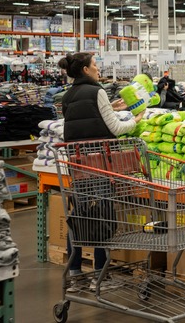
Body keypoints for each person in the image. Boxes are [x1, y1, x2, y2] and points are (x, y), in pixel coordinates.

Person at [57, 52, 142, 292]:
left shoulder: (67, 95)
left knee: (81, 215)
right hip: (100, 163)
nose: (97, 69)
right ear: (85, 69)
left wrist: (109, 107)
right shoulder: (97, 91)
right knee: (102, 215)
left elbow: (82, 122)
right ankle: (99, 275)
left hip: (78, 164)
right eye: (94, 65)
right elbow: (114, 128)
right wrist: (135, 120)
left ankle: (75, 275)